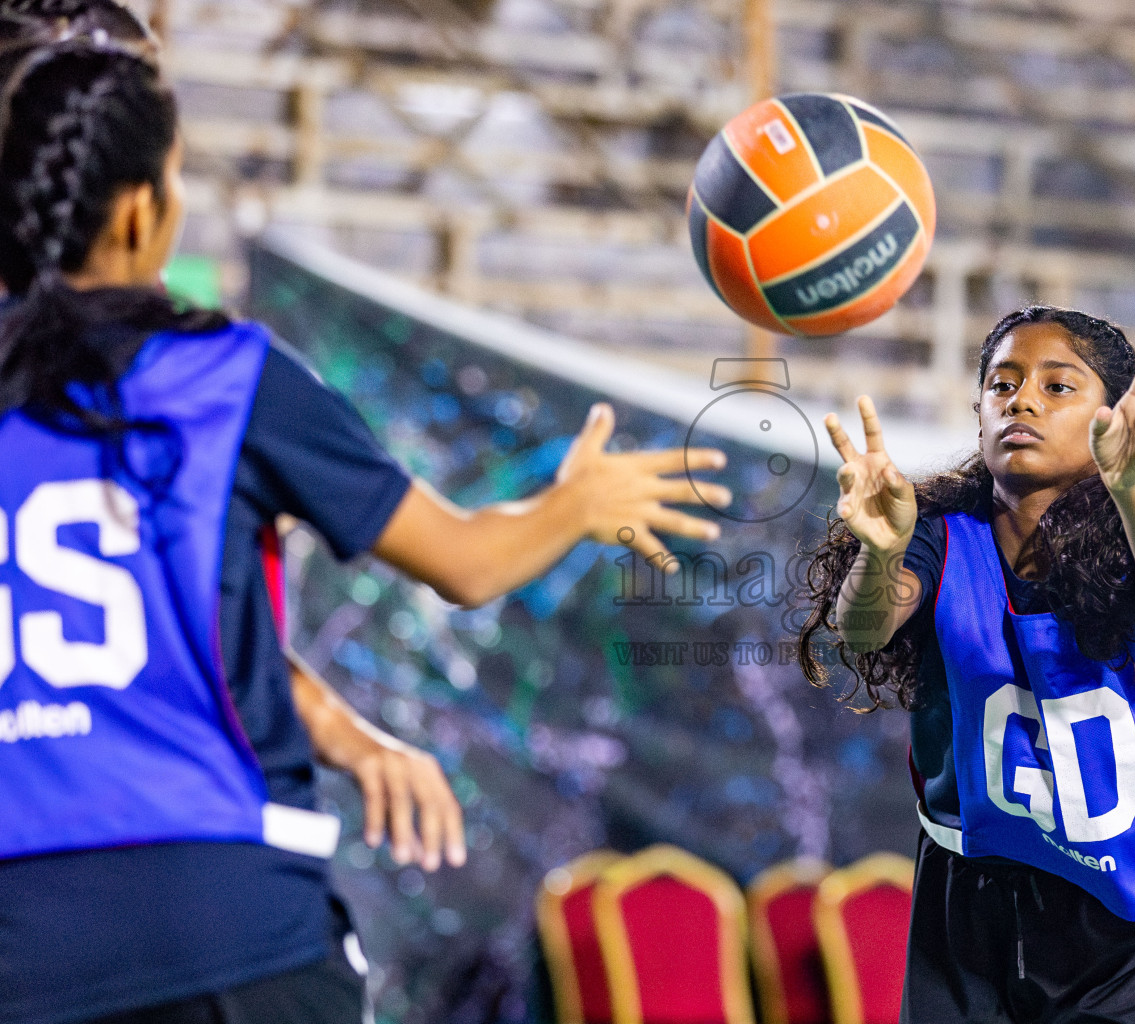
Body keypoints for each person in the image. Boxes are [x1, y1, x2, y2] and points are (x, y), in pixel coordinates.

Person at [0, 36, 730, 1024]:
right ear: (140, 207)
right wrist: (575, 503)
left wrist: (351, 735)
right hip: (224, 923)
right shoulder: (224, 376)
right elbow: (467, 565)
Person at [798, 305, 1135, 1022]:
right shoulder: (939, 535)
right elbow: (862, 631)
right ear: (979, 410)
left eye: (1058, 387)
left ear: (1111, 418)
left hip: (1134, 905)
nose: (1021, 399)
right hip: (976, 893)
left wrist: (1130, 487)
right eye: (1003, 384)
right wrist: (883, 547)